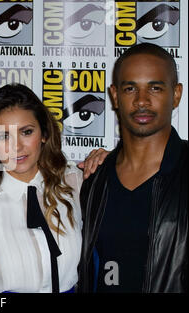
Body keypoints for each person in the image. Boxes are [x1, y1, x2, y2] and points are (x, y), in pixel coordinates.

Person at [0, 84, 83, 293]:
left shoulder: (74, 182)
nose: (17, 146)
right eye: (4, 136)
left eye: (26, 132)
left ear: (44, 134)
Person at [77, 43, 187, 293]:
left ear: (176, 94)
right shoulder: (95, 179)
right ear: (115, 96)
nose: (142, 101)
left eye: (155, 88)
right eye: (130, 88)